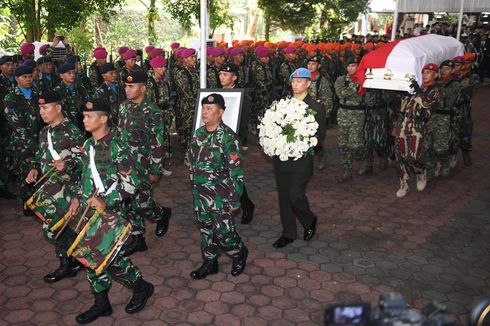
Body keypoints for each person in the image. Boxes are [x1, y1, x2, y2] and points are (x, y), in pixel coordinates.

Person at [68, 98, 154, 324]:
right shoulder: (88, 146)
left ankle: (141, 286)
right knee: (90, 257)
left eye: (89, 116)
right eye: (84, 116)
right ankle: (101, 303)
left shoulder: (118, 145)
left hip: (112, 213)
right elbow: (85, 177)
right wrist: (78, 198)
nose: (84, 119)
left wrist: (107, 202)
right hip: (89, 212)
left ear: (104, 119)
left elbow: (130, 185)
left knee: (112, 260)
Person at [25, 90, 85, 283]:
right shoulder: (44, 132)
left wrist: (67, 165)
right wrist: (34, 169)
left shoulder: (72, 131)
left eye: (45, 108)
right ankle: (71, 261)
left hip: (68, 189)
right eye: (40, 108)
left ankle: (70, 262)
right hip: (51, 189)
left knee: (53, 229)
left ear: (58, 108)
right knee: (57, 229)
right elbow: (40, 155)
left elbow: (84, 162)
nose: (41, 112)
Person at [188, 93, 248, 279]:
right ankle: (210, 261)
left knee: (224, 233)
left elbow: (236, 173)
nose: (204, 112)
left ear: (220, 112)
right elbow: (191, 159)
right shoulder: (199, 134)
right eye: (204, 108)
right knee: (206, 229)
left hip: (220, 195)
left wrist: (235, 199)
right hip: (200, 194)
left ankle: (239, 252)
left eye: (209, 109)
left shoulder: (229, 139)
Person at [117, 70, 171, 256]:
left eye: (131, 86)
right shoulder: (123, 107)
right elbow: (119, 135)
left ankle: (161, 214)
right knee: (129, 202)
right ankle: (138, 238)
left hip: (143, 166)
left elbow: (157, 143)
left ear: (143, 88)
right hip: (125, 165)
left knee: (142, 203)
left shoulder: (153, 111)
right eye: (126, 86)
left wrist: (156, 169)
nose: (127, 89)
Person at [272, 68, 325, 248]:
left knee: (295, 196)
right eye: (293, 81)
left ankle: (309, 220)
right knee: (284, 197)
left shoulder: (316, 107)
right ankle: (288, 233)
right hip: (281, 158)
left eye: (300, 81)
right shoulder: (283, 105)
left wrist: (299, 144)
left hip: (301, 160)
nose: (295, 84)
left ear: (308, 84)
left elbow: (319, 137)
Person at [393, 64, 441, 198]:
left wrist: (418, 92)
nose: (426, 74)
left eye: (429, 72)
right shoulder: (415, 87)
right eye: (424, 72)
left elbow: (428, 103)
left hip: (418, 125)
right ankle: (404, 184)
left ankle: (420, 172)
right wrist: (401, 91)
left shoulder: (435, 89)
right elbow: (401, 105)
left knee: (414, 157)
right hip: (403, 122)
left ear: (436, 75)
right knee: (400, 156)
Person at [218, 62, 255, 224]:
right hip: (216, 140)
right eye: (220, 74)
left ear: (234, 78)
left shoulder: (242, 96)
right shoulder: (215, 94)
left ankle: (247, 206)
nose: (221, 77)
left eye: (225, 75)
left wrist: (237, 142)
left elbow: (243, 123)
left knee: (233, 176)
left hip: (231, 142)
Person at [4, 65, 40, 211]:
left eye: (30, 76)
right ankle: (27, 204)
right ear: (17, 79)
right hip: (22, 143)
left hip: (38, 139)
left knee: (38, 171)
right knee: (25, 174)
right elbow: (16, 125)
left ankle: (39, 203)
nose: (28, 79)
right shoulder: (11, 97)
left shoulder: (37, 94)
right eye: (24, 77)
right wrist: (32, 144)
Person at [334, 57, 368, 182]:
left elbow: (367, 97)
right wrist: (358, 85)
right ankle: (347, 170)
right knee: (343, 144)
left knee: (355, 144)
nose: (350, 68)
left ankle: (364, 157)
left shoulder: (366, 80)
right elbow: (341, 94)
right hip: (343, 113)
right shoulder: (341, 80)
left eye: (353, 66)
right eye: (349, 66)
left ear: (359, 66)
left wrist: (362, 82)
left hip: (357, 113)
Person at [146, 57, 173, 176]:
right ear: (154, 68)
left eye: (164, 66)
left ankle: (161, 163)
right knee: (156, 141)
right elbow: (149, 101)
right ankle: (157, 167)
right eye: (160, 67)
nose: (163, 69)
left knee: (164, 137)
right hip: (155, 114)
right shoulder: (150, 83)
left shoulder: (165, 82)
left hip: (165, 112)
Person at [306, 56, 333, 171]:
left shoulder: (322, 81)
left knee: (316, 139)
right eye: (309, 63)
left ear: (318, 66)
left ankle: (321, 156)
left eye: (314, 64)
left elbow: (328, 100)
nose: (311, 66)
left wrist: (323, 116)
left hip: (316, 114)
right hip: (303, 113)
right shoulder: (303, 78)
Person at [174, 48, 200, 157]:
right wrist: (196, 103)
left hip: (197, 104)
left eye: (194, 57)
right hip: (188, 106)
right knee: (189, 129)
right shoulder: (181, 73)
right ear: (184, 59)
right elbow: (186, 92)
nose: (194, 59)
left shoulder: (195, 71)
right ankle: (188, 155)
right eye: (191, 57)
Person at [0, 55, 16, 199]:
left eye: (12, 64)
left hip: (15, 123)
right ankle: (3, 186)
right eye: (7, 65)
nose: (11, 67)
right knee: (4, 156)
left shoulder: (17, 80)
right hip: (3, 123)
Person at [54, 63, 89, 128]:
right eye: (69, 73)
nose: (72, 75)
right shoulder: (57, 91)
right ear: (61, 75)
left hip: (81, 125)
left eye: (74, 73)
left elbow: (87, 104)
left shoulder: (81, 89)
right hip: (65, 128)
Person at [94, 63, 126, 128]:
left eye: (115, 73)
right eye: (111, 73)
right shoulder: (100, 92)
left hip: (123, 122)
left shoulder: (120, 87)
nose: (114, 75)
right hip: (110, 125)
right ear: (103, 76)